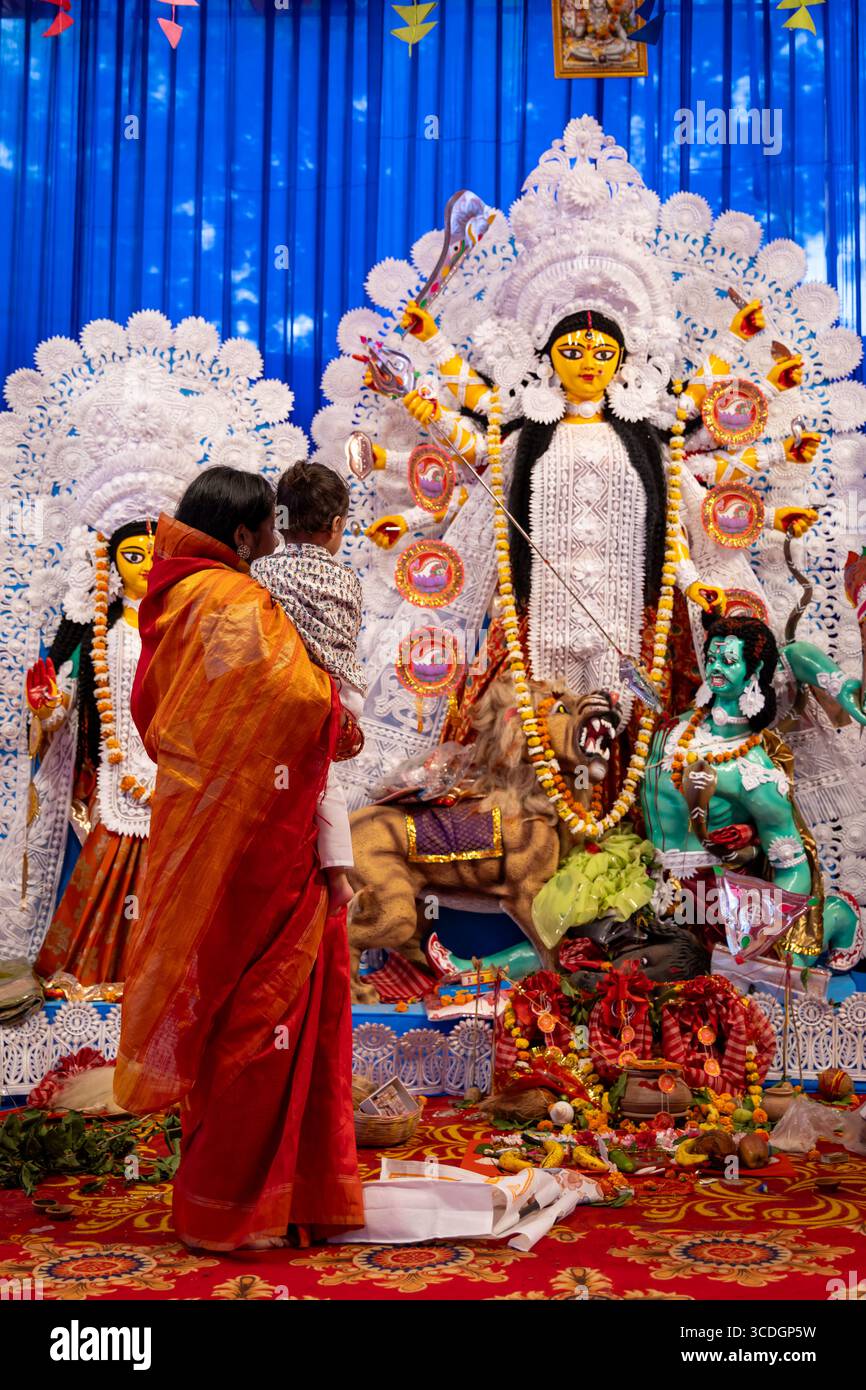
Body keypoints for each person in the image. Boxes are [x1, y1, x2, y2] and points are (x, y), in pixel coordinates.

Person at [113, 464, 364, 1251]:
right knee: (264, 1017)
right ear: (247, 534)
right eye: (266, 537)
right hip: (261, 843)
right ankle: (248, 1204)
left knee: (221, 1006)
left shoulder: (175, 597)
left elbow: (157, 714)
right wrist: (337, 711)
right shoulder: (233, 601)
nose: (273, 550)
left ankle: (227, 1199)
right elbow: (296, 701)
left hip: (204, 830)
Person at [252, 461, 365, 913]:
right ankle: (338, 875)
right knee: (325, 783)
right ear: (336, 525)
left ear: (278, 519)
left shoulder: (259, 572)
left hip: (280, 693)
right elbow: (345, 636)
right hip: (335, 695)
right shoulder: (347, 579)